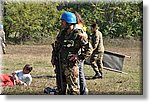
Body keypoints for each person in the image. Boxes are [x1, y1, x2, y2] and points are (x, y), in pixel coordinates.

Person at [51, 12, 92, 95]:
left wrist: (79, 57)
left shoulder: (78, 34)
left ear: (69, 22)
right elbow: (56, 46)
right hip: (60, 64)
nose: (61, 23)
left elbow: (89, 49)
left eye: (63, 22)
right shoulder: (62, 33)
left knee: (73, 90)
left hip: (71, 66)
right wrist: (53, 57)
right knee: (60, 89)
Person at [73, 11, 89, 95]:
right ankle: (83, 90)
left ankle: (81, 91)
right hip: (80, 53)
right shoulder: (81, 26)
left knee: (78, 74)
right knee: (80, 73)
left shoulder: (77, 28)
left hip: (78, 53)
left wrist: (79, 56)